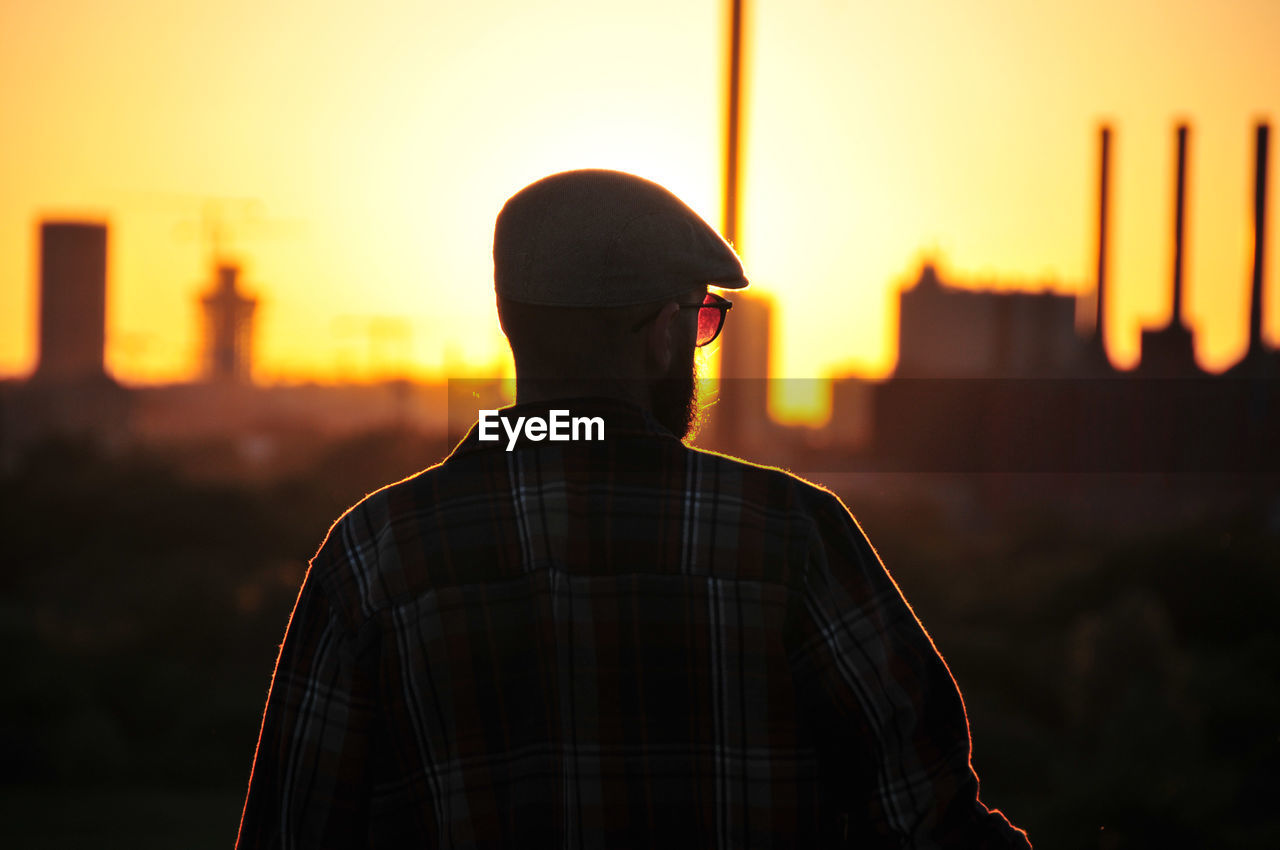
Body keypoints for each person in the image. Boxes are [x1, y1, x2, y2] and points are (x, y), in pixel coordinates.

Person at [236, 169, 1032, 848]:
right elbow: (928, 821)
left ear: (514, 324)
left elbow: (293, 830)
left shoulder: (373, 556)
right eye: (700, 320)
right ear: (661, 336)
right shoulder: (790, 537)